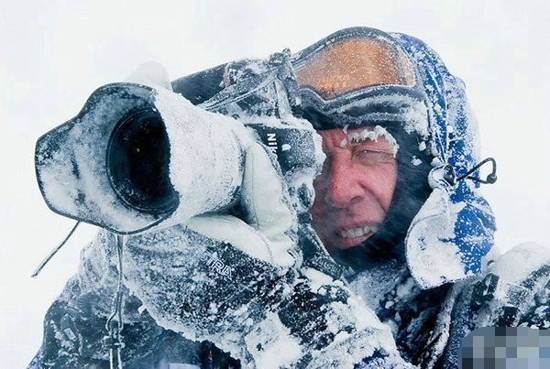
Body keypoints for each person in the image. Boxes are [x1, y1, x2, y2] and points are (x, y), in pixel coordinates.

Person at [30, 26, 550, 369]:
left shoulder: (506, 314)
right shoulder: (206, 302)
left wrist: (278, 316)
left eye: (370, 150)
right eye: (319, 159)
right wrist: (111, 290)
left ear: (434, 170)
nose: (338, 189)